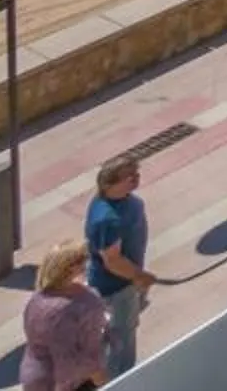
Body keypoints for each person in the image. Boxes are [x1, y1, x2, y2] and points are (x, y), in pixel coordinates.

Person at [84, 155, 151, 376]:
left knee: (123, 330)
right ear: (108, 184)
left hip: (128, 284)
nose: (135, 179)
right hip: (115, 289)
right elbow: (112, 261)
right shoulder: (107, 218)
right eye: (128, 177)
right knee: (121, 341)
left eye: (136, 174)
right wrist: (139, 276)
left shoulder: (126, 201)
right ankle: (121, 379)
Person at [18, 240, 108, 391]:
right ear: (71, 268)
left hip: (41, 376)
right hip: (64, 383)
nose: (87, 264)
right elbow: (65, 359)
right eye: (83, 261)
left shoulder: (38, 298)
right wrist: (98, 375)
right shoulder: (61, 311)